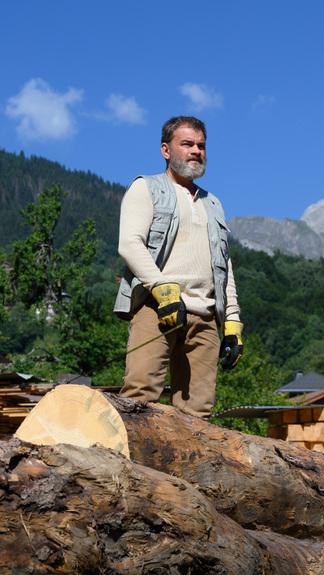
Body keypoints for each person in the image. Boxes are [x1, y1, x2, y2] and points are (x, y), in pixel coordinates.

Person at [113, 115, 243, 417]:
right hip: (156, 307)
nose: (196, 150)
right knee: (139, 398)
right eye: (187, 144)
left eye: (201, 145)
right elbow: (129, 244)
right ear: (166, 150)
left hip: (206, 317)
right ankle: (126, 464)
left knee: (198, 413)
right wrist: (162, 289)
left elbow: (224, 267)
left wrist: (233, 321)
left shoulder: (214, 204)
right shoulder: (146, 188)